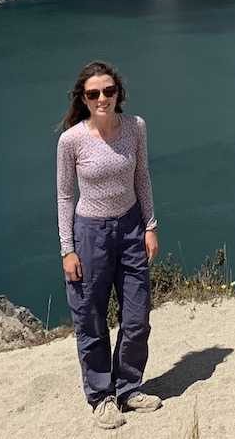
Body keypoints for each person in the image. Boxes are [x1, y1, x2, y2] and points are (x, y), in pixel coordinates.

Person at [56, 60, 162, 430]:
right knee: (91, 317)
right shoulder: (71, 140)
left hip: (132, 228)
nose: (102, 98)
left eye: (108, 91)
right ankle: (101, 396)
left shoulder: (135, 127)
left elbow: (142, 176)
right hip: (90, 235)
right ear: (83, 99)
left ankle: (129, 387)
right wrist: (67, 248)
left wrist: (150, 225)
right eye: (93, 93)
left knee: (136, 317)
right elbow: (65, 196)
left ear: (118, 93)